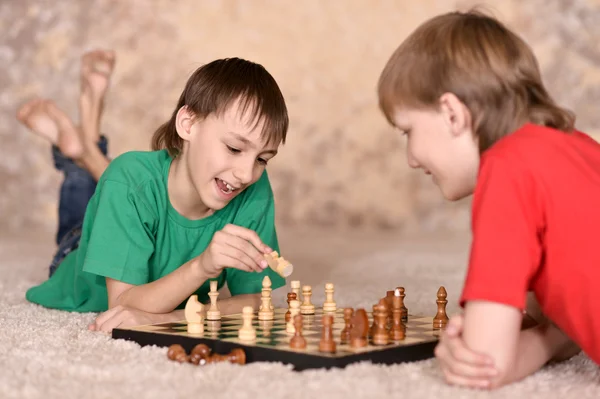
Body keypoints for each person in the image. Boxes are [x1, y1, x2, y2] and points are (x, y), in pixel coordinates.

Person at [377, 10, 600, 389]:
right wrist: (555, 332)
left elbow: (483, 363)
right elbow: (558, 308)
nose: (411, 159)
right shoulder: (578, 148)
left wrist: (468, 352)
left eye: (407, 131)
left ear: (452, 113)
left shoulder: (507, 167)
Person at [19, 50, 289, 333]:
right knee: (111, 189)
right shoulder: (127, 180)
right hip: (79, 258)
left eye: (262, 159)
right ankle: (82, 151)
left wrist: (173, 319)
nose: (247, 174)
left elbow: (259, 300)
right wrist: (202, 266)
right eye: (234, 148)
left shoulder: (253, 189)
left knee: (129, 187)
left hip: (132, 194)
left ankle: (84, 143)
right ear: (188, 124)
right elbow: (122, 304)